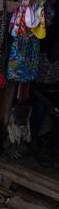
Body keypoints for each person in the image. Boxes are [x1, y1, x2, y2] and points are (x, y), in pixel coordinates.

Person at [30, 40, 59, 168]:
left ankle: (55, 150)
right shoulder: (40, 58)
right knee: (39, 109)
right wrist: (48, 104)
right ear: (52, 46)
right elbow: (33, 87)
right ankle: (33, 140)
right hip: (39, 93)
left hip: (54, 94)